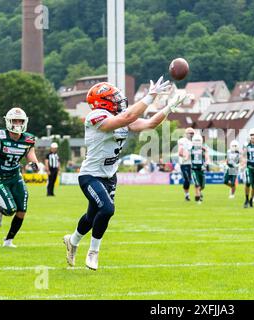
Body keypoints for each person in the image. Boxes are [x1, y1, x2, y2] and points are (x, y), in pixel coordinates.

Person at [63, 77, 181, 270]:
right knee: (107, 209)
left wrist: (169, 107)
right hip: (90, 175)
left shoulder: (121, 117)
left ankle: (73, 241)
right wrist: (150, 97)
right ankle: (93, 252)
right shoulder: (95, 117)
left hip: (110, 176)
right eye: (114, 99)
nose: (119, 102)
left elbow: (150, 124)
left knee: (92, 216)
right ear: (103, 102)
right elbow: (125, 119)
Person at [0, 107, 39, 247]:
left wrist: (34, 163)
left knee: (22, 209)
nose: (17, 123)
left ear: (25, 122)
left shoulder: (28, 139)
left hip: (15, 177)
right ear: (8, 121)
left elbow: (30, 153)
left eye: (20, 120)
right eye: (14, 120)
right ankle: (0, 209)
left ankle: (8, 241)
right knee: (10, 210)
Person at [188, 134, 210, 204]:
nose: (197, 142)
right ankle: (197, 199)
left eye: (198, 141)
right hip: (194, 170)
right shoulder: (191, 149)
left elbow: (207, 158)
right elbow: (187, 157)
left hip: (201, 170)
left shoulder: (204, 149)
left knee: (202, 186)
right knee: (197, 185)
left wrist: (205, 164)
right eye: (196, 141)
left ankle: (199, 193)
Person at [177, 127, 195, 201]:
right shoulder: (182, 141)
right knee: (187, 179)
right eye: (190, 133)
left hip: (192, 163)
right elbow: (180, 151)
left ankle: (197, 194)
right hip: (184, 163)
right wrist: (185, 156)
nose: (191, 134)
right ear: (186, 134)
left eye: (192, 133)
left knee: (191, 180)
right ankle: (186, 195)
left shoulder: (195, 141)